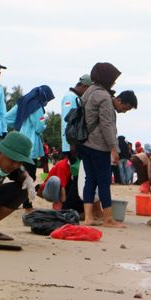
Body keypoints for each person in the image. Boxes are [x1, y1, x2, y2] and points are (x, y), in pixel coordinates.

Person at [79, 62, 123, 227]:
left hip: (84, 143)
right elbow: (106, 124)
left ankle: (88, 218)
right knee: (104, 181)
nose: (114, 82)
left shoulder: (89, 91)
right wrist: (114, 147)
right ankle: (108, 218)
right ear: (106, 77)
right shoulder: (104, 96)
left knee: (90, 180)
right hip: (98, 145)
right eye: (113, 78)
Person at [7, 85, 54, 211]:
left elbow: (7, 118)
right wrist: (44, 126)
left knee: (19, 172)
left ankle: (14, 200)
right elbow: (39, 127)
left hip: (19, 141)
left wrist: (19, 125)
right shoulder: (37, 107)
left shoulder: (21, 103)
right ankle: (26, 202)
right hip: (31, 146)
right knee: (30, 175)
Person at [60, 74, 92, 161]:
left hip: (75, 143)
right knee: (74, 172)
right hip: (71, 145)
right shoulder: (70, 97)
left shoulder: (76, 97)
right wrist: (72, 144)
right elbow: (68, 122)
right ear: (84, 86)